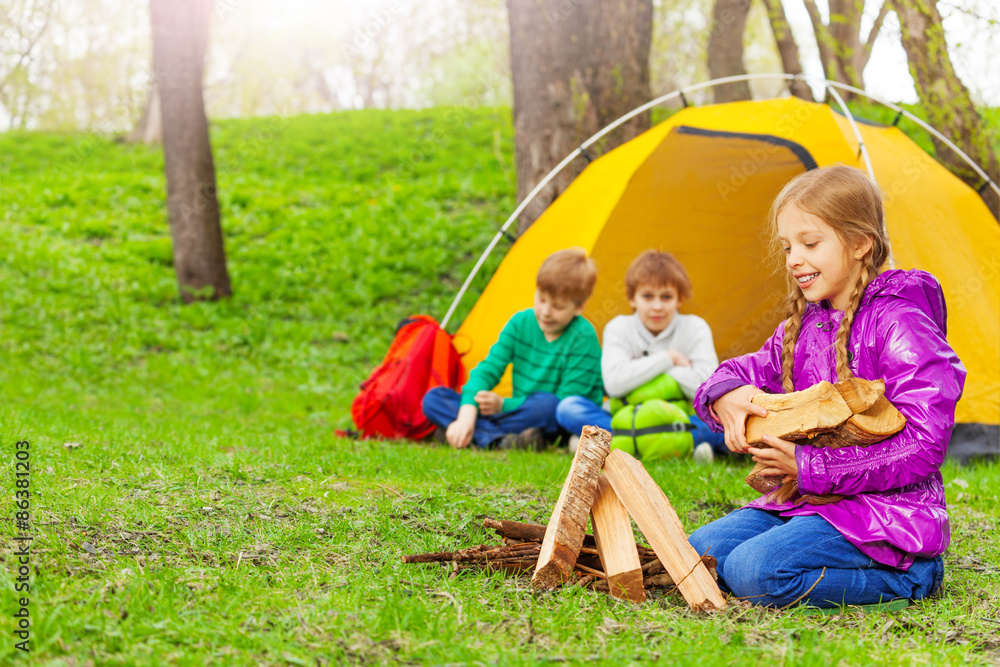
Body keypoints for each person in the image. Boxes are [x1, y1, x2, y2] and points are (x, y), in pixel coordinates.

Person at [688, 165, 965, 608]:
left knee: (752, 572)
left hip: (889, 515)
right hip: (810, 504)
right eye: (787, 247)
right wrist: (726, 395)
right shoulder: (803, 328)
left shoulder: (901, 323)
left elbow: (925, 443)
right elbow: (739, 371)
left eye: (810, 243)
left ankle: (910, 578)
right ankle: (799, 550)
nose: (793, 258)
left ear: (859, 243)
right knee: (697, 553)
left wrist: (811, 467)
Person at [423, 248, 603, 450]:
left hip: (547, 419)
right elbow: (488, 369)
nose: (545, 312)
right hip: (515, 417)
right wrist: (467, 413)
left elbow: (566, 402)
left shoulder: (583, 336)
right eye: (541, 300)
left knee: (549, 405)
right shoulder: (520, 323)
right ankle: (496, 439)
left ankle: (476, 436)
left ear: (579, 307)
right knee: (433, 399)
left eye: (558, 307)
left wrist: (503, 405)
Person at [555, 250, 726, 459]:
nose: (657, 306)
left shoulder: (695, 327)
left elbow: (709, 389)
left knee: (722, 422)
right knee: (568, 408)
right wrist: (670, 358)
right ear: (632, 298)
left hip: (678, 417)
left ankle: (611, 443)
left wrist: (638, 370)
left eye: (666, 297)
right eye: (647, 296)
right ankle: (684, 446)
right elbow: (615, 384)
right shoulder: (618, 327)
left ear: (679, 299)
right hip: (624, 416)